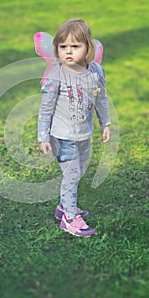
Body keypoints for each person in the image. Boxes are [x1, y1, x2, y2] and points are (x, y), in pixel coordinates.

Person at [38, 18, 111, 237]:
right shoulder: (56, 74)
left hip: (83, 134)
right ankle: (70, 218)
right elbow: (46, 108)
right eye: (63, 47)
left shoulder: (95, 72)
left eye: (75, 46)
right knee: (71, 176)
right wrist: (43, 137)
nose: (68, 52)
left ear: (88, 47)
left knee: (79, 172)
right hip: (61, 136)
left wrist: (105, 122)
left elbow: (102, 99)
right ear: (57, 49)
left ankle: (64, 207)